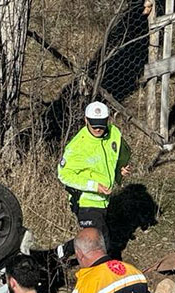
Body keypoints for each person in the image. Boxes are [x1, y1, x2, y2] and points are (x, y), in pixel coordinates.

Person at [56, 102, 131, 258]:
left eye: (101, 125)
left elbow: (120, 153)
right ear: (85, 120)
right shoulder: (77, 146)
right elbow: (64, 175)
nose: (98, 129)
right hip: (85, 201)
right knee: (101, 243)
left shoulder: (114, 133)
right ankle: (102, 272)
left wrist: (120, 169)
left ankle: (59, 253)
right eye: (94, 125)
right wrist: (93, 186)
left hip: (104, 199)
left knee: (95, 238)